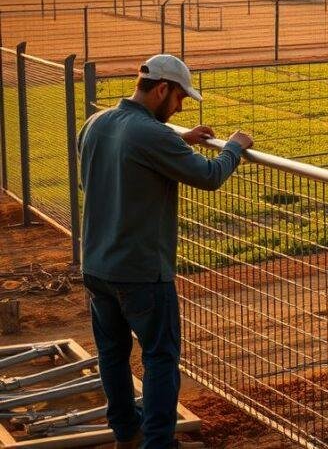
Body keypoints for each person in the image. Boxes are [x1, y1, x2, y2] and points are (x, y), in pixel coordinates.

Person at [78, 55, 254, 448]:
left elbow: (126, 156)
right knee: (159, 358)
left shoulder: (97, 124)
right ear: (162, 90)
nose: (179, 107)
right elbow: (209, 176)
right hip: (141, 271)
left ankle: (126, 431)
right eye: (179, 99)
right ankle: (158, 443)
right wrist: (233, 148)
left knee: (113, 354)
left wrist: (179, 138)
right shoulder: (151, 135)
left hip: (95, 264)